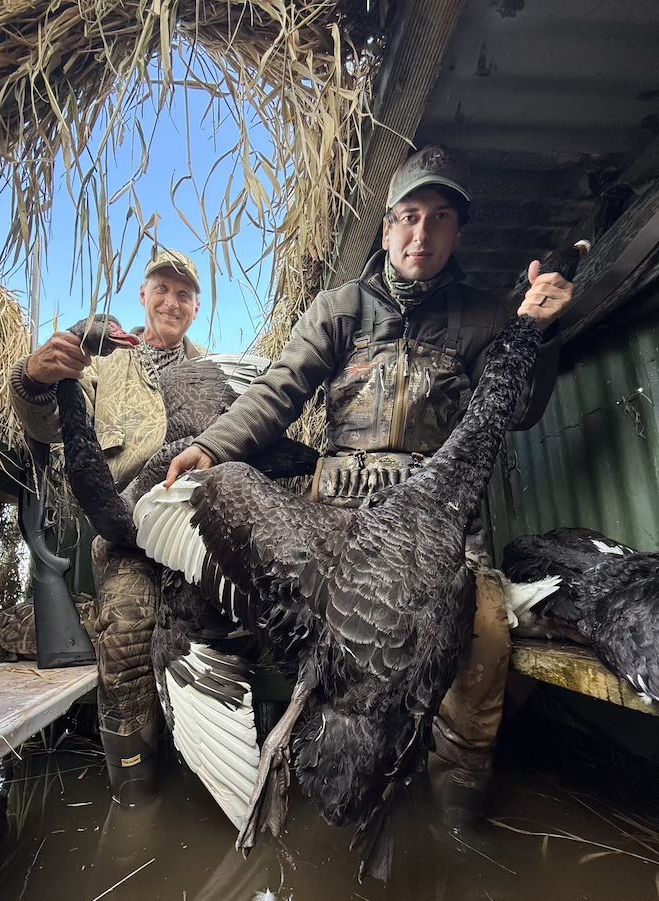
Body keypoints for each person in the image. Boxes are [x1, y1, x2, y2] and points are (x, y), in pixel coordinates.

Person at [164, 145, 576, 828]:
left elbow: (523, 406)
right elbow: (277, 394)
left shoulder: (484, 315)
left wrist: (543, 333)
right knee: (300, 643)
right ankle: (292, 769)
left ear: (458, 233)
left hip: (438, 532)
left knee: (485, 634)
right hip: (339, 527)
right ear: (386, 228)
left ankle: (457, 805)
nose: (421, 235)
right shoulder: (341, 308)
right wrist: (213, 446)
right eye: (409, 217)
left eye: (439, 219)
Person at [9, 248, 204, 805]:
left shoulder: (212, 369)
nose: (171, 301)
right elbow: (48, 428)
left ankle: (207, 779)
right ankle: (135, 791)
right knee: (126, 635)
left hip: (199, 534)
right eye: (161, 289)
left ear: (195, 308)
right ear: (143, 296)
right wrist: (33, 379)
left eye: (184, 294)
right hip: (128, 536)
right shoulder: (101, 361)